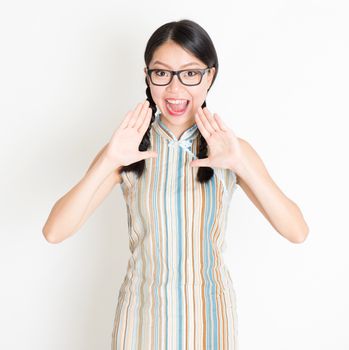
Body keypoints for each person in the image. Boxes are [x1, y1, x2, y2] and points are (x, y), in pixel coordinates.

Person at [42, 19, 309, 350]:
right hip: (141, 320)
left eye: (190, 73)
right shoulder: (127, 147)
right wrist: (109, 160)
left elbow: (297, 231)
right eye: (162, 73)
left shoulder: (232, 150)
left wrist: (241, 164)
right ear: (147, 77)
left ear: (210, 76)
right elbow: (54, 231)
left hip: (209, 320)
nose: (175, 89)